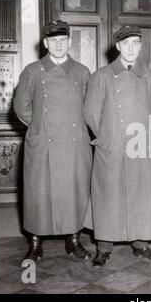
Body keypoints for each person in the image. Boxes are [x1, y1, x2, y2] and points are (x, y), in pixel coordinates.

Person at [83, 25, 151, 267]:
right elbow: (90, 113)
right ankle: (104, 247)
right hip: (112, 146)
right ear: (117, 46)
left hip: (140, 145)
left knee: (142, 194)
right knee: (108, 195)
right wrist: (108, 137)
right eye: (126, 43)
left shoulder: (150, 76)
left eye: (136, 43)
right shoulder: (102, 75)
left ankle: (140, 244)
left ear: (140, 46)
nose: (131, 48)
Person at [13, 20, 93, 262]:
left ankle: (74, 240)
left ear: (69, 42)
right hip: (42, 143)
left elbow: (89, 109)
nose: (59, 45)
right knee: (38, 193)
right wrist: (40, 126)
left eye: (63, 40)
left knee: (74, 190)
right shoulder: (32, 70)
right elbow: (20, 107)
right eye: (53, 40)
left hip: (74, 144)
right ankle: (36, 243)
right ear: (46, 43)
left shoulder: (82, 71)